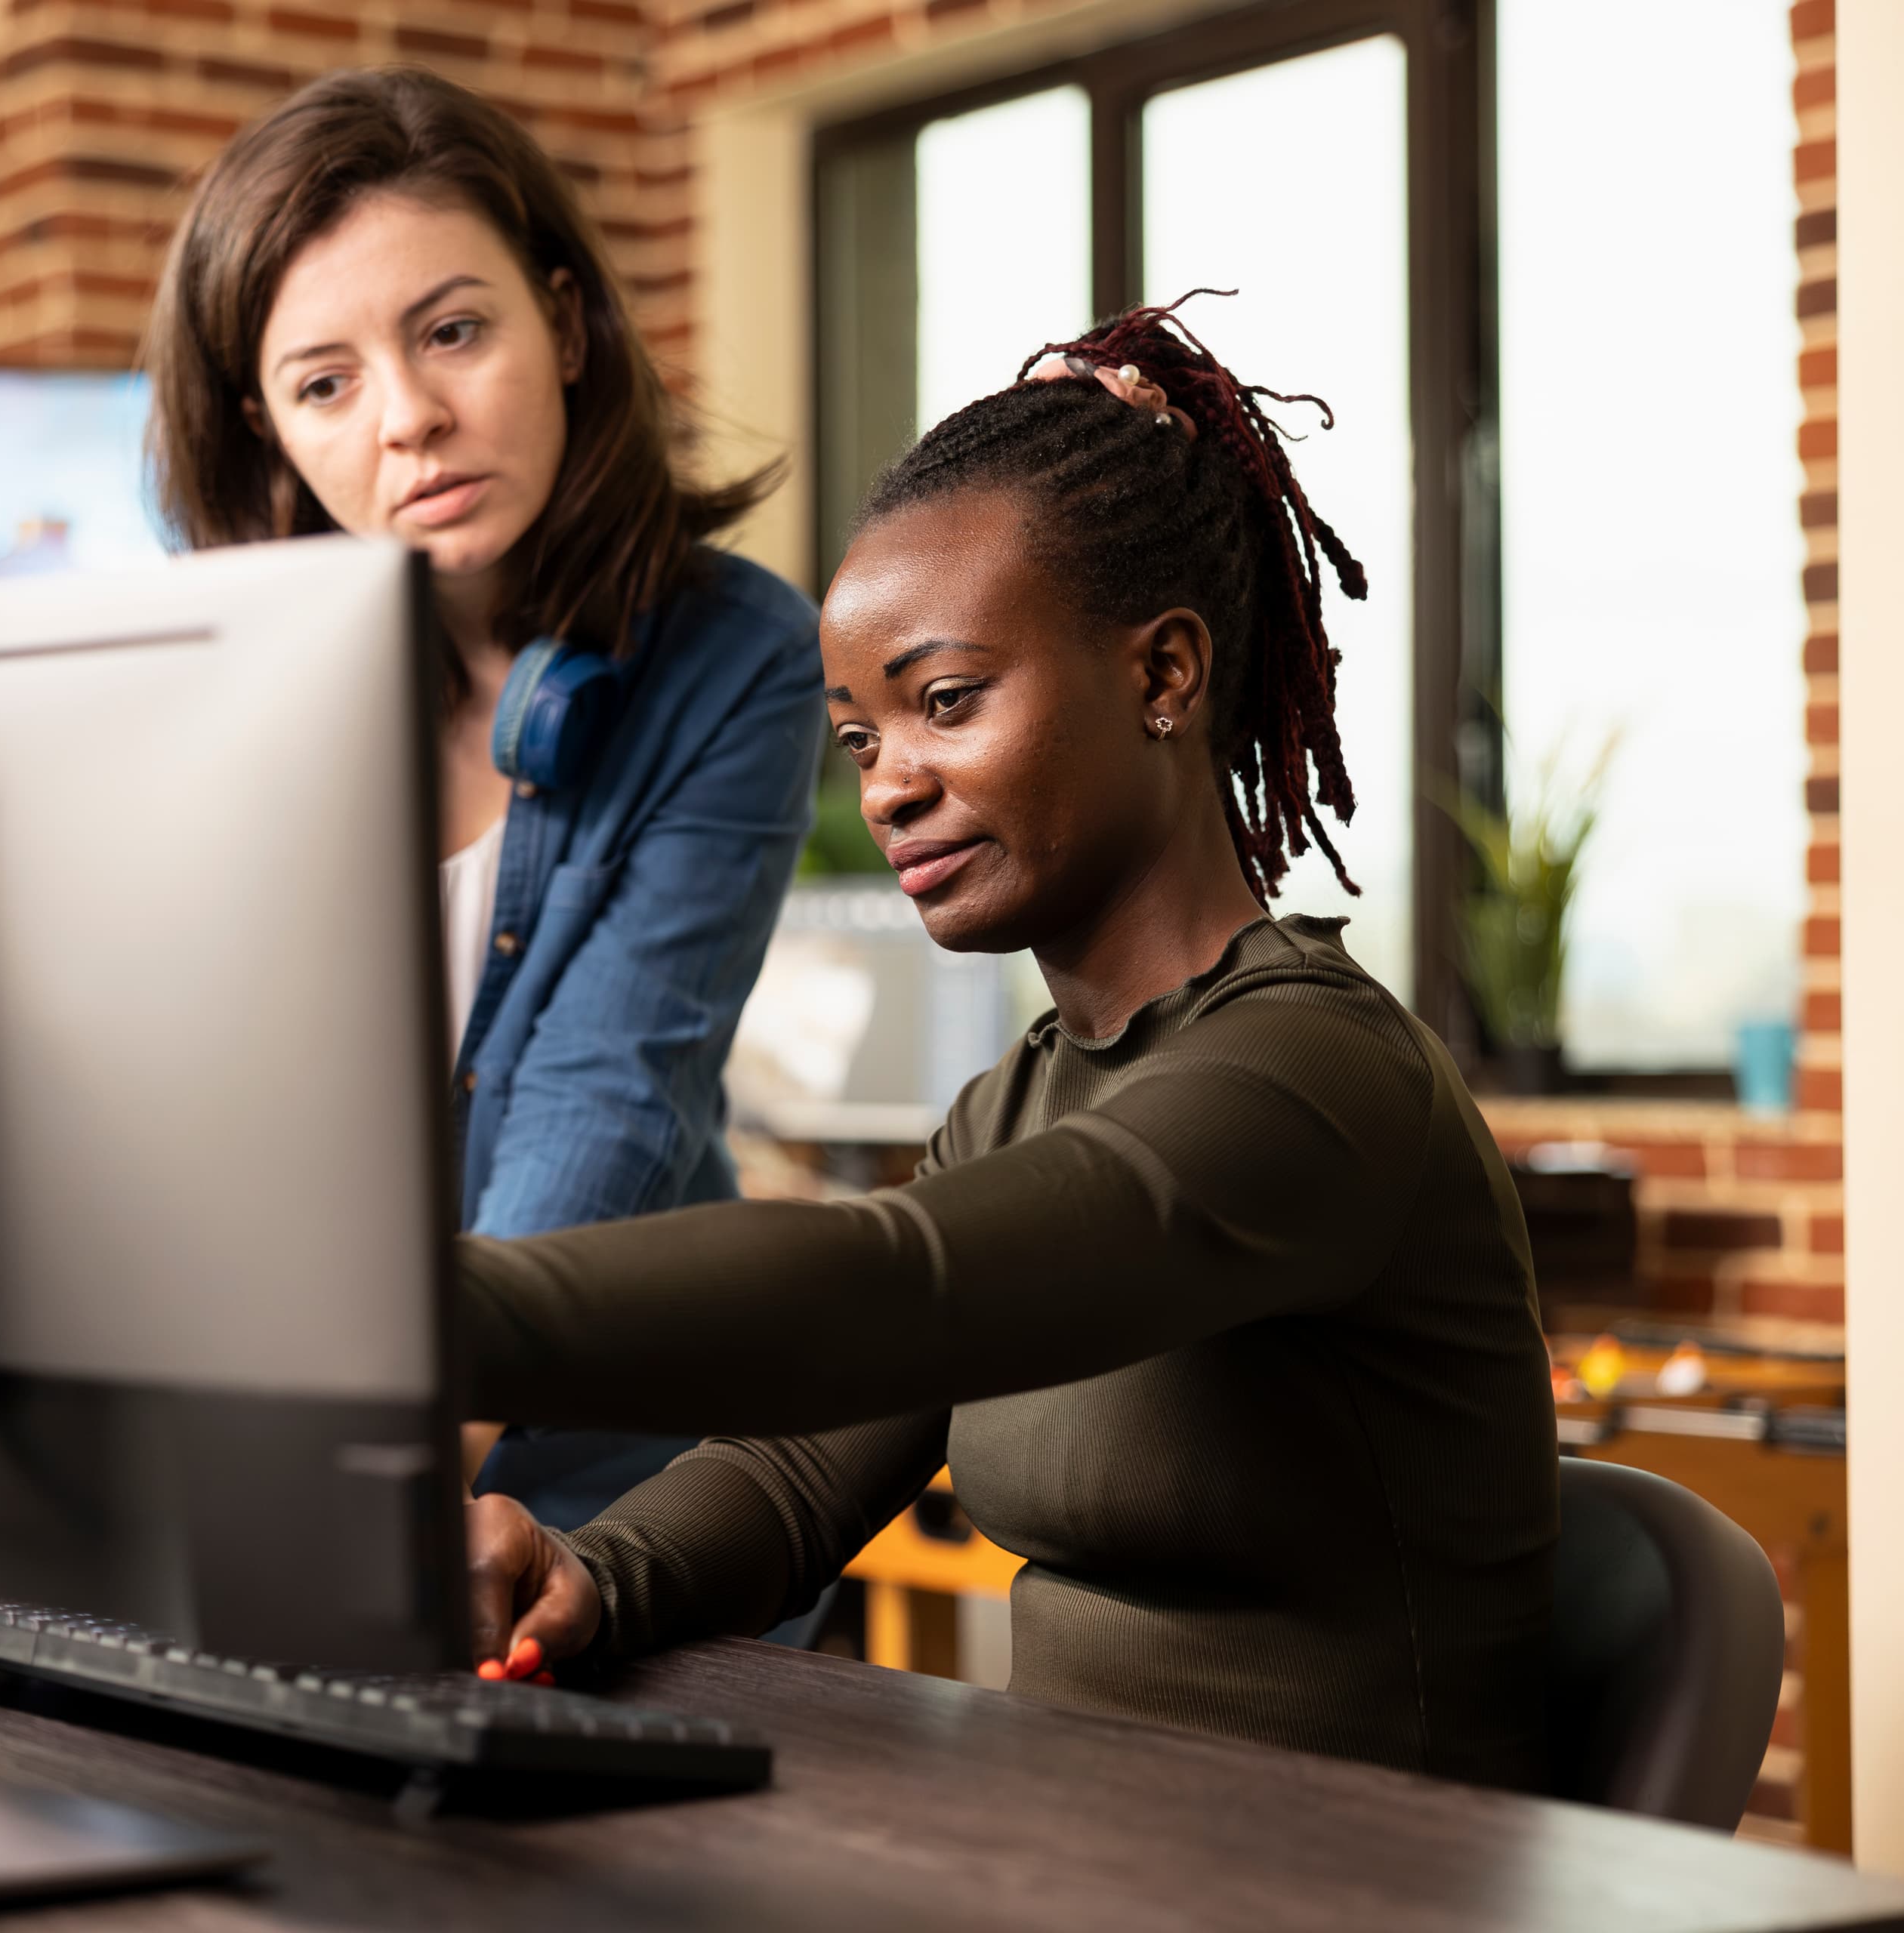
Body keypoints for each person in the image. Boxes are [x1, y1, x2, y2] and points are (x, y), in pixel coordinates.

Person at [452, 301, 1560, 1792]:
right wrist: (595, 1573)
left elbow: (898, 1287)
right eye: (862, 737)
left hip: (1362, 1880)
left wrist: (406, 1316)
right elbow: (799, 1463)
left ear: (1163, 676)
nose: (889, 786)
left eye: (947, 703)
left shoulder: (1315, 1075)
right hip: (1086, 1854)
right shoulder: (1019, 1101)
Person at [146, 69, 826, 1534]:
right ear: (268, 432)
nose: (410, 420)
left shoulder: (737, 655)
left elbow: (611, 1092)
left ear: (565, 326)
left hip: (609, 1487)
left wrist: (379, 1489)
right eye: (325, 384)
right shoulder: (222, 688)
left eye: (453, 331)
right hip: (284, 1462)